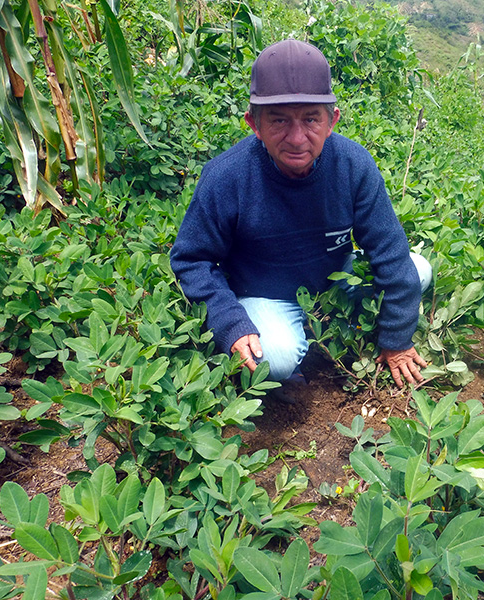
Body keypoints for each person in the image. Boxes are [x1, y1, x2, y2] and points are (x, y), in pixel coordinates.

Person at [170, 39, 431, 396]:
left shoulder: (353, 166)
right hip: (266, 294)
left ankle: (327, 324)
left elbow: (390, 251)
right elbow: (190, 259)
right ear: (254, 123)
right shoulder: (226, 176)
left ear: (331, 121)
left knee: (418, 270)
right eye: (279, 120)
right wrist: (230, 321)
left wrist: (397, 341)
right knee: (274, 359)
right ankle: (292, 337)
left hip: (335, 284)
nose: (296, 138)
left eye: (311, 119)